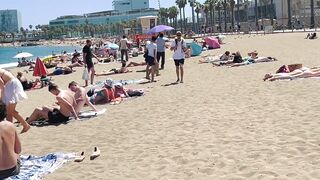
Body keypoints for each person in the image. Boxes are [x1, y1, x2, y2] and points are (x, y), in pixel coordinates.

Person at [0, 69, 30, 133]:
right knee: (11, 111)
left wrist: (1, 98)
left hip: (11, 85)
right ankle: (24, 125)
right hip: (11, 85)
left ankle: (10, 130)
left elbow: (2, 85)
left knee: (9, 112)